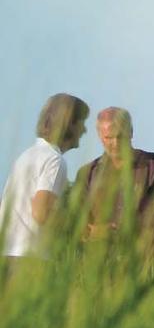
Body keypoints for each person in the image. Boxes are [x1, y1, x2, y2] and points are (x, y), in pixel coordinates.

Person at [1, 93, 89, 261]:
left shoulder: (27, 156)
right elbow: (42, 212)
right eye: (82, 123)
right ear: (69, 124)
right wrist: (81, 229)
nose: (84, 130)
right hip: (30, 259)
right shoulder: (54, 160)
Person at [73, 107, 154, 242]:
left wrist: (125, 227)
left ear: (131, 132)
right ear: (99, 136)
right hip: (101, 257)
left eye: (121, 135)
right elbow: (77, 221)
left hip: (146, 255)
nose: (115, 143)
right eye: (109, 137)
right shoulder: (87, 173)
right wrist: (97, 231)